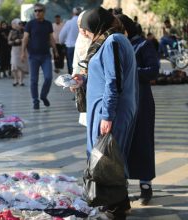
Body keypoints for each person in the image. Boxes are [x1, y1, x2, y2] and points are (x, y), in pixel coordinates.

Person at [73, 7, 138, 218]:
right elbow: (104, 74)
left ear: (95, 26)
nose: (86, 34)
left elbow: (114, 82)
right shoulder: (110, 41)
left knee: (107, 158)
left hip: (110, 110)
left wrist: (107, 115)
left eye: (87, 30)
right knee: (108, 155)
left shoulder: (113, 42)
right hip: (104, 108)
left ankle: (116, 208)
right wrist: (82, 80)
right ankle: (119, 202)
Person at [117, 14, 160, 206]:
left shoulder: (143, 45)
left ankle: (145, 186)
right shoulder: (117, 44)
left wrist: (130, 72)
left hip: (141, 101)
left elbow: (153, 70)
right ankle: (120, 185)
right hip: (122, 103)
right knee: (121, 145)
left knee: (142, 141)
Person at [21, 3, 58, 110]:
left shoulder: (48, 24)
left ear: (44, 12)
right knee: (34, 80)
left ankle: (43, 96)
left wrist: (55, 50)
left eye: (39, 10)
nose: (37, 12)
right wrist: (23, 52)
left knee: (48, 77)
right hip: (33, 56)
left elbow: (51, 38)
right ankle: (35, 100)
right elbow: (25, 38)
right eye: (35, 11)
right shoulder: (30, 24)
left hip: (46, 55)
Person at [59, 7, 81, 75]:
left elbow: (62, 35)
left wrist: (61, 42)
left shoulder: (69, 22)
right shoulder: (83, 22)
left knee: (71, 66)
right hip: (81, 47)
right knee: (81, 66)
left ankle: (73, 82)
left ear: (73, 13)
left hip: (70, 47)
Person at [8, 18, 27, 86]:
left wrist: (22, 40)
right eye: (19, 24)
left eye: (21, 24)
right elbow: (9, 41)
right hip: (15, 49)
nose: (20, 25)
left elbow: (28, 39)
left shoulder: (25, 31)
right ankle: (15, 79)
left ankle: (21, 81)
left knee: (22, 65)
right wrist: (14, 41)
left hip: (22, 49)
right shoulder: (12, 32)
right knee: (14, 65)